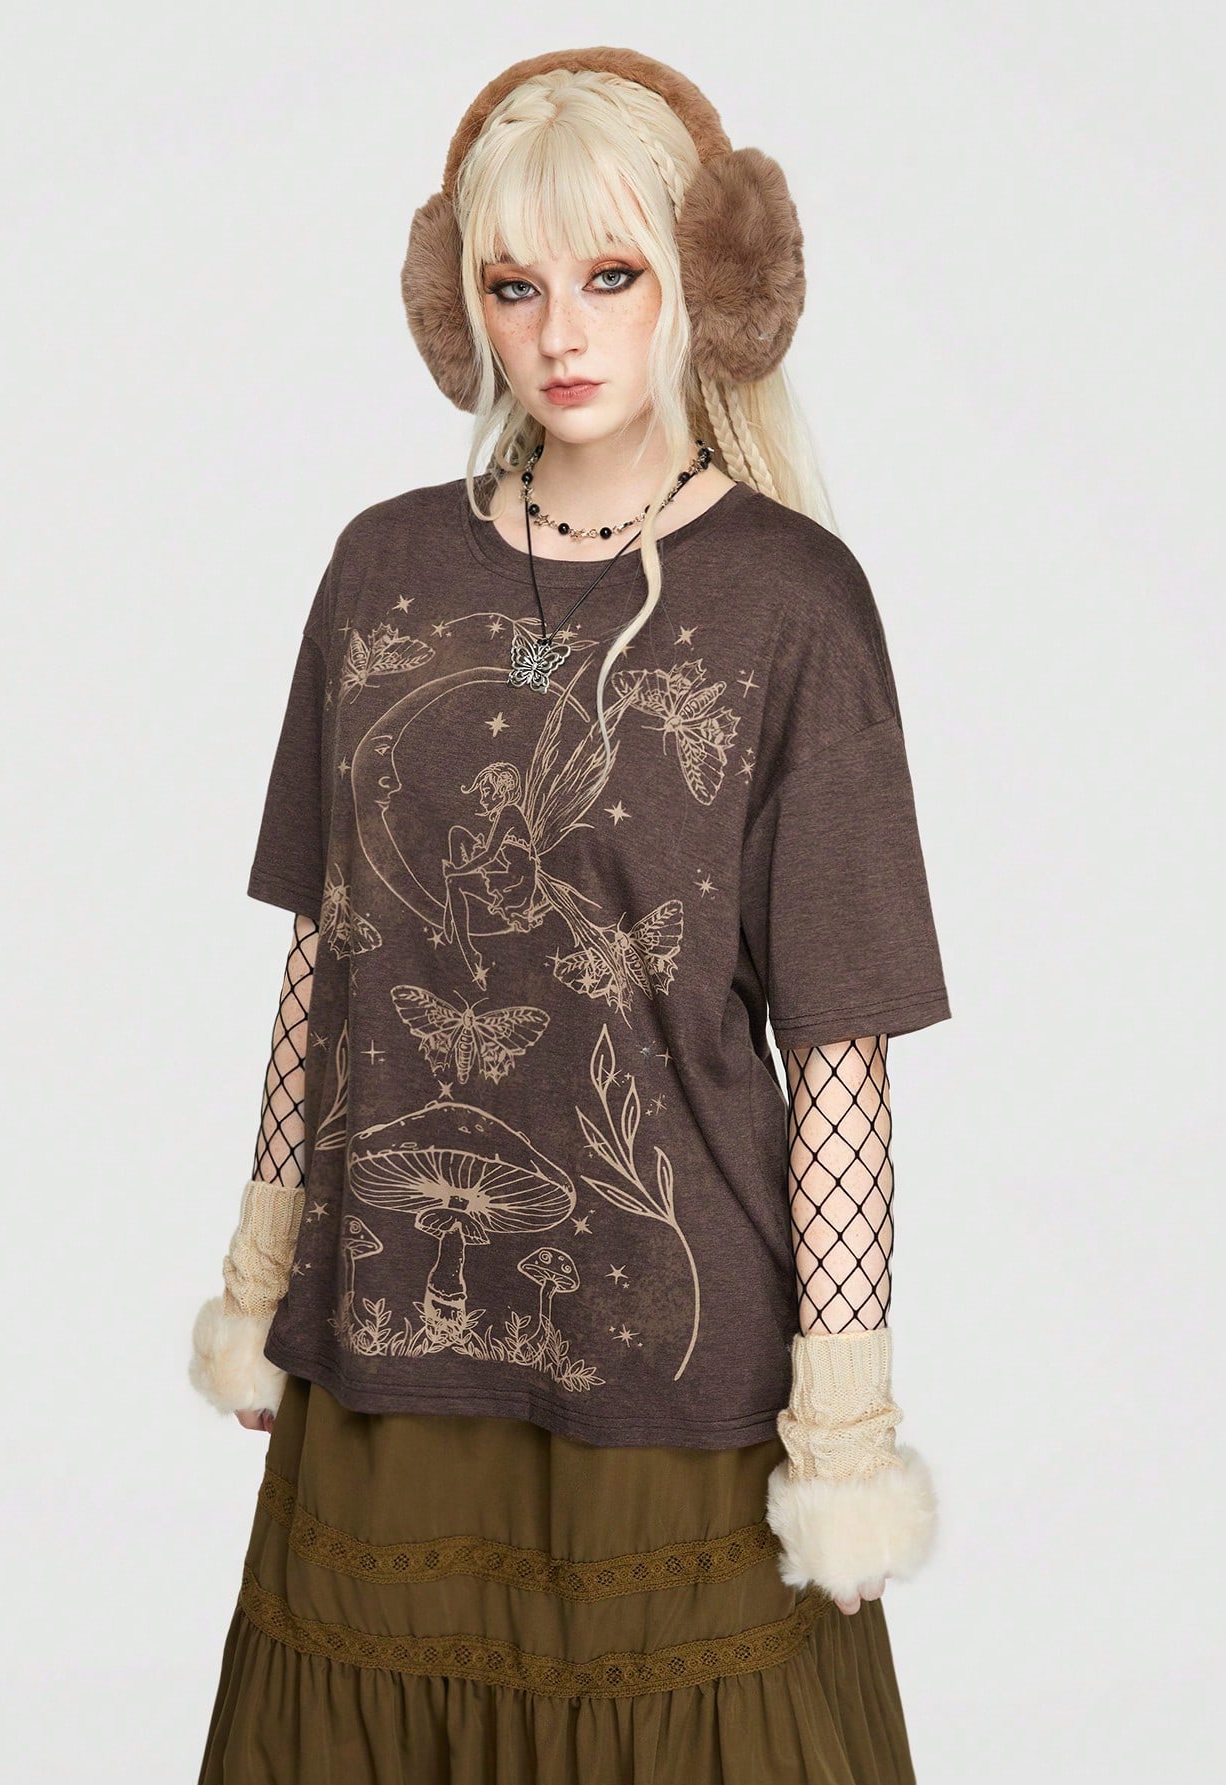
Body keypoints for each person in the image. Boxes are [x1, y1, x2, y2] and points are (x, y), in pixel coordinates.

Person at [189, 46, 952, 1785]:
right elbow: (327, 954)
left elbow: (838, 1047)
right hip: (388, 1346)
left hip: (672, 1372)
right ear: (460, 305)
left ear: (703, 283)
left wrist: (844, 1427)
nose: (561, 332)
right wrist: (258, 1271)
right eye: (512, 285)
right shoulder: (380, 569)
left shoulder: (792, 603)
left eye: (612, 274)